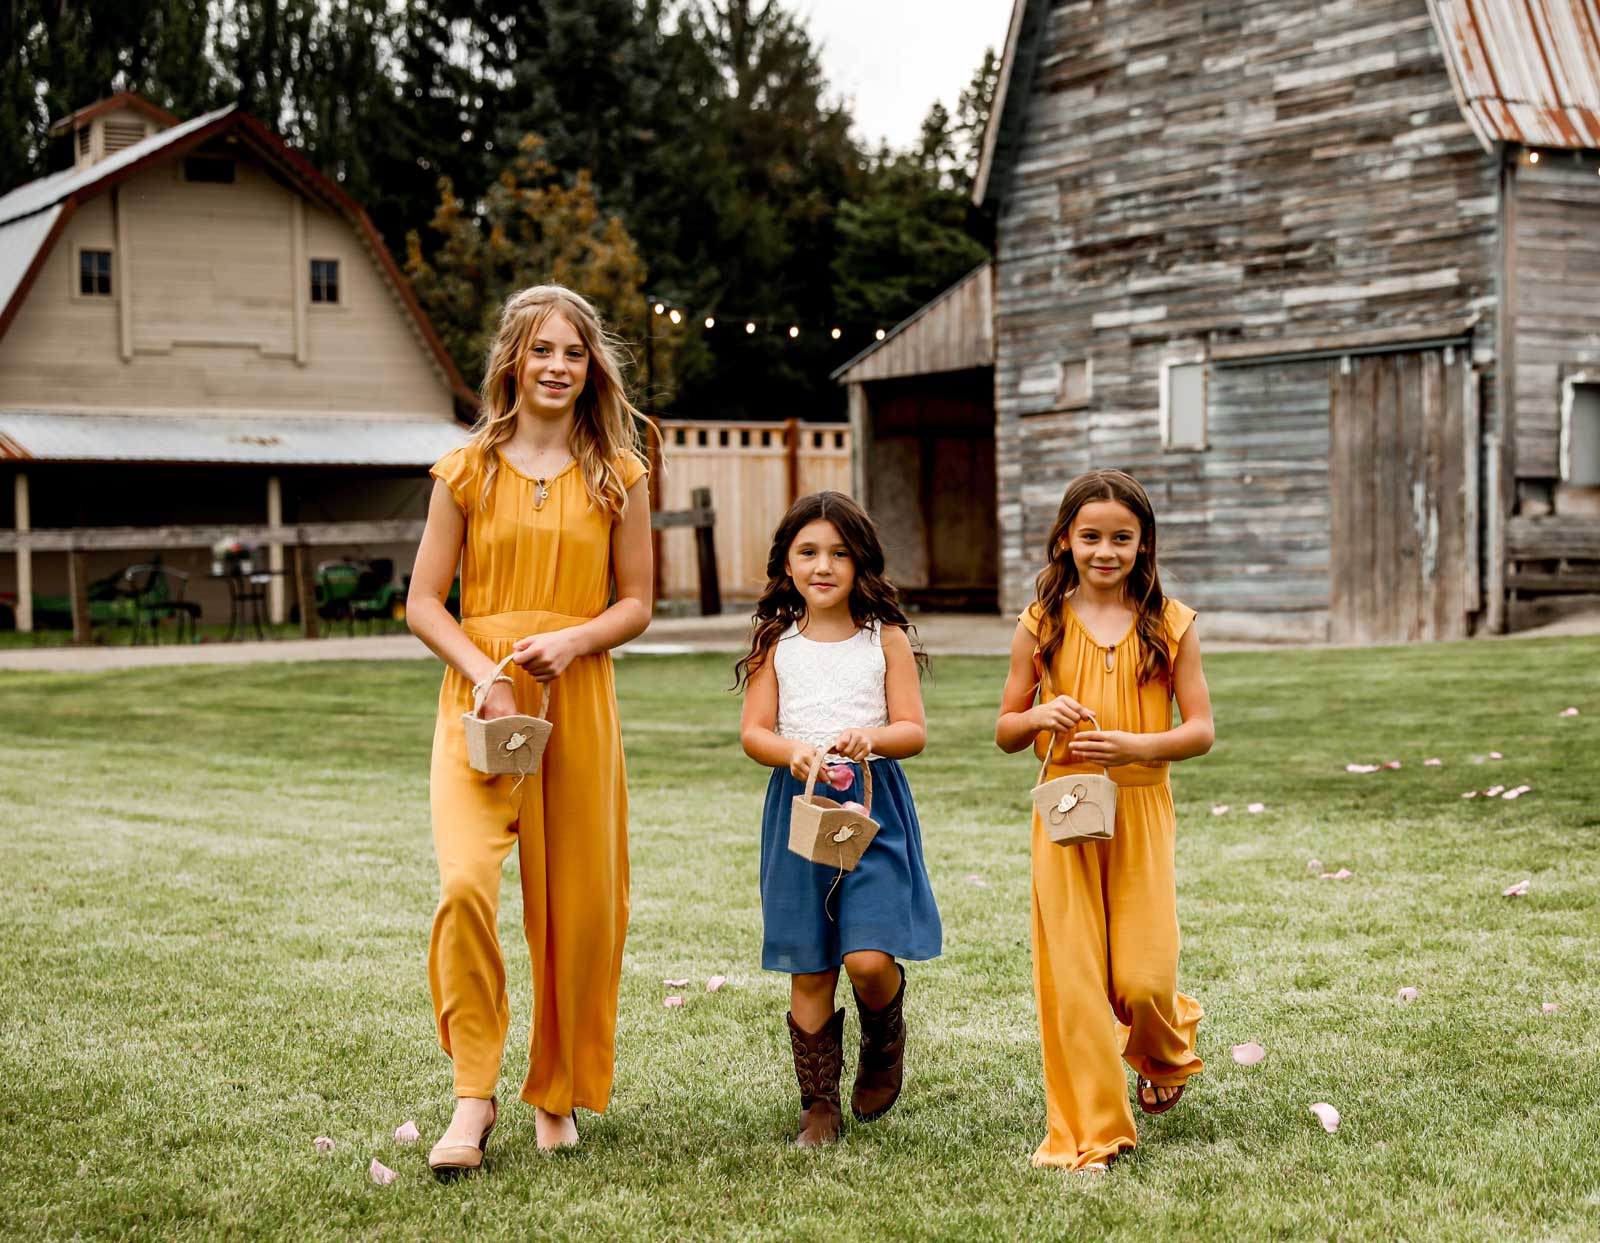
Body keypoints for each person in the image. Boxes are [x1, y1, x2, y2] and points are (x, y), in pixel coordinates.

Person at [406, 284, 652, 1174]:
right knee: (466, 883)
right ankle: (473, 1095)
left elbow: (637, 602)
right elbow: (424, 602)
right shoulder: (464, 469)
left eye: (574, 353)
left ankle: (556, 1091)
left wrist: (577, 639)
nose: (557, 366)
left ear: (592, 369)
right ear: (513, 358)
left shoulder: (617, 472)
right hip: (480, 704)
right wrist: (487, 674)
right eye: (542, 350)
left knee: (578, 909)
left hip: (577, 698)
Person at [993, 468, 1215, 1173]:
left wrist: (1137, 745)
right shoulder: (1042, 622)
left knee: (1145, 978)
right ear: (1065, 540)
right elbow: (1004, 729)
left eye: (1122, 537)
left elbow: (1202, 728)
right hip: (1067, 811)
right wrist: (1037, 715)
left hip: (1142, 809)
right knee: (1078, 979)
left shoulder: (1171, 623)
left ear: (1143, 543)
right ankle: (1095, 1127)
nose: (1105, 551)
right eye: (1091, 536)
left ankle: (1163, 1045)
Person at [735, 491, 941, 1147]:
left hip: (872, 805)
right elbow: (754, 734)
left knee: (868, 956)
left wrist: (869, 736)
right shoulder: (777, 642)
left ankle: (884, 1032)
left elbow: (912, 729)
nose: (823, 565)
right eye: (808, 552)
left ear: (861, 563)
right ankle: (818, 1103)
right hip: (798, 810)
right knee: (812, 962)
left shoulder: (888, 639)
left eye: (839, 553)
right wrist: (793, 750)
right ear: (786, 563)